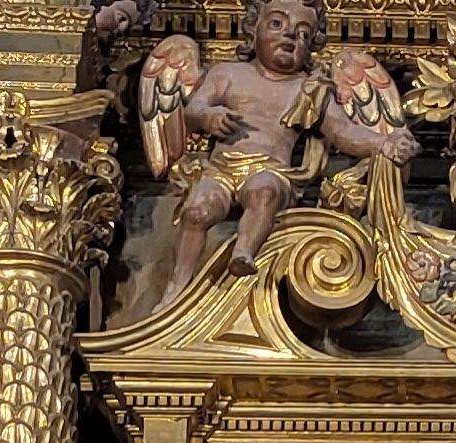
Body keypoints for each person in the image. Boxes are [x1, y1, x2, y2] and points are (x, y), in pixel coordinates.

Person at [134, 0, 420, 317]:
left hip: (271, 170)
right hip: (220, 170)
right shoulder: (227, 74)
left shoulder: (308, 89)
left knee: (264, 191)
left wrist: (384, 142)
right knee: (197, 210)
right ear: (252, 29)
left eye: (302, 34)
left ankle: (244, 250)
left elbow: (343, 132)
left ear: (311, 47)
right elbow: (192, 110)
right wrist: (209, 117)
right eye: (276, 25)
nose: (289, 37)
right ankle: (176, 290)